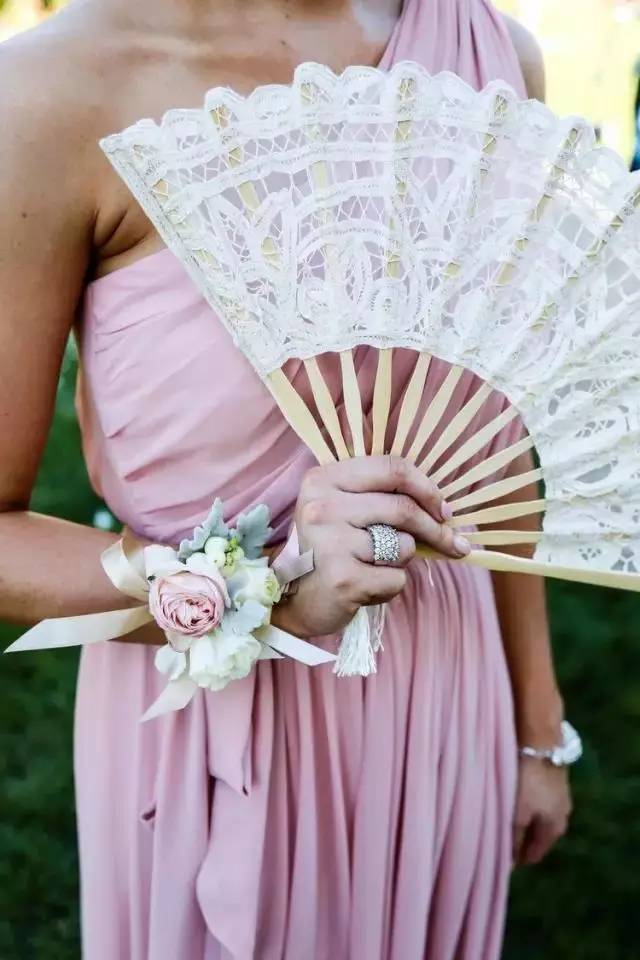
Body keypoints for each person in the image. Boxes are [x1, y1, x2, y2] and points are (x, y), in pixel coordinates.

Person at [0, 1, 571, 958]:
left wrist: (538, 729)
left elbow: (492, 430)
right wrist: (263, 597)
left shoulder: (490, 54)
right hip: (212, 705)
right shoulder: (52, 92)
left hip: (444, 687)